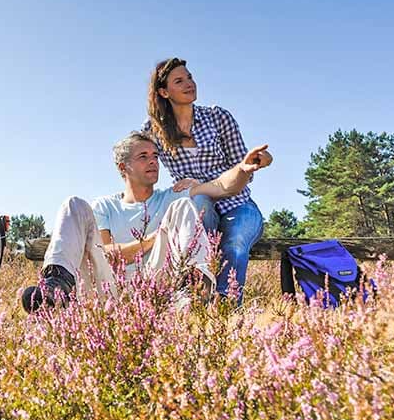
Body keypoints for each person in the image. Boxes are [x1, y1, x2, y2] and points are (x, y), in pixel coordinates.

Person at [21, 130, 270, 313]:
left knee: (185, 206)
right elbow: (106, 254)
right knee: (73, 204)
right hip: (110, 289)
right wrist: (154, 239)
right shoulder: (105, 206)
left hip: (159, 285)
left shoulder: (171, 196)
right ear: (123, 167)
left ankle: (193, 293)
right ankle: (55, 287)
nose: (153, 161)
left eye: (155, 156)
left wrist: (243, 169)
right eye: (143, 156)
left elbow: (221, 187)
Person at [143, 57, 273, 301]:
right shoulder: (153, 131)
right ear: (163, 91)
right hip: (197, 209)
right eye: (179, 81)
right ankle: (195, 300)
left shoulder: (217, 117)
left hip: (237, 203)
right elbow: (137, 159)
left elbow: (242, 165)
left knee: (234, 242)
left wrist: (257, 161)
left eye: (189, 77)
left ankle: (226, 307)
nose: (189, 83)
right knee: (200, 203)